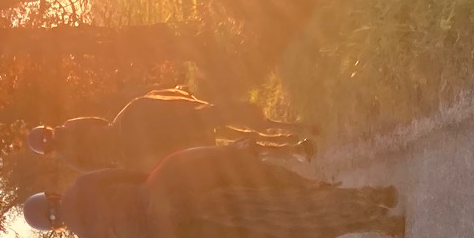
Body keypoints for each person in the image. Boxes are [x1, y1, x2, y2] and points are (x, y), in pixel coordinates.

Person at [23, 144, 402, 238]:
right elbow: (131, 175)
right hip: (159, 190)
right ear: (51, 196)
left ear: (54, 226)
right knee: (225, 164)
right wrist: (162, 179)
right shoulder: (83, 184)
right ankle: (364, 197)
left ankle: (374, 223)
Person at [26, 87, 314, 175]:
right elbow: (98, 122)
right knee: (204, 113)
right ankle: (285, 129)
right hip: (126, 123)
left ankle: (289, 152)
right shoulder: (69, 125)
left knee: (202, 160)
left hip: (132, 155)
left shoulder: (68, 159)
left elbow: (100, 168)